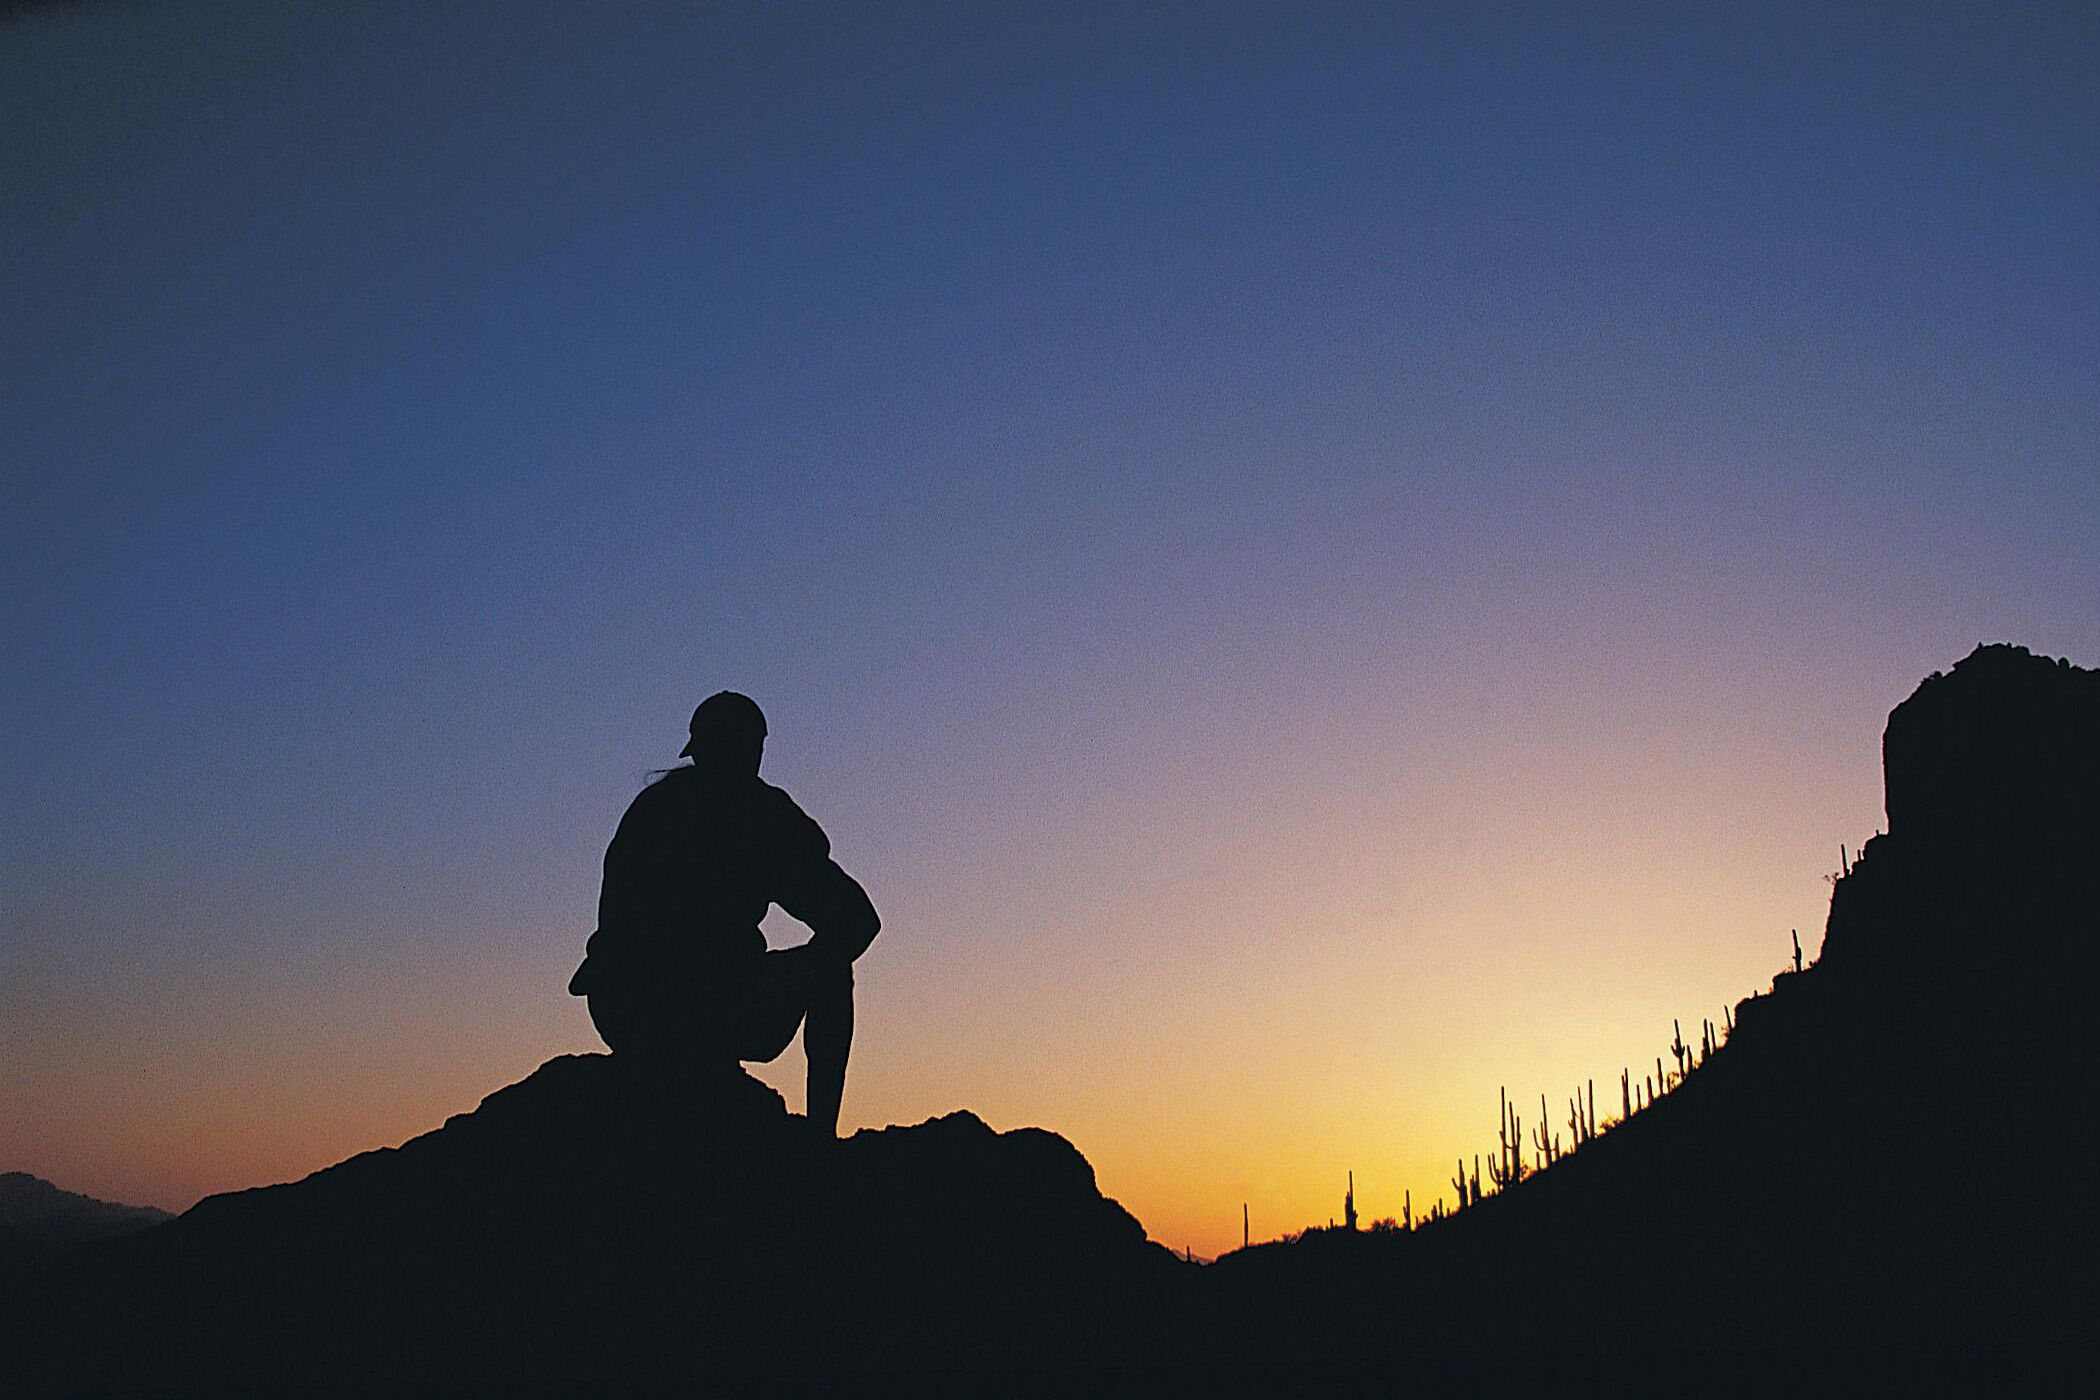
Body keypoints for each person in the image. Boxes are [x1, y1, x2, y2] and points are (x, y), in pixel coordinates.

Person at [568, 692, 879, 1136]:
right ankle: (819, 1142)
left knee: (827, 965)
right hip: (672, 1006)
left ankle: (811, 1140)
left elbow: (855, 918)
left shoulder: (661, 809)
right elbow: (857, 920)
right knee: (831, 970)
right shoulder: (759, 818)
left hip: (627, 1010)